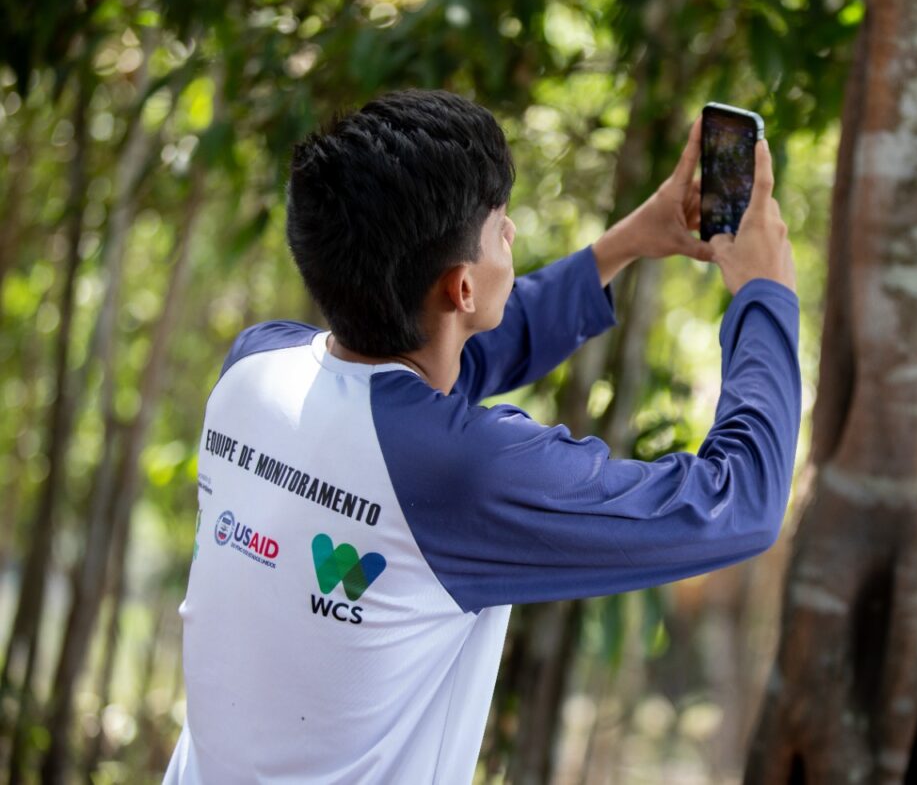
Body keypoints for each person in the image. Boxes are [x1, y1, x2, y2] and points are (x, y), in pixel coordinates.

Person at [163, 88, 800, 783]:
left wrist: (627, 243)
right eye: (501, 224)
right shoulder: (462, 478)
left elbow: (431, 366)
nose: (513, 234)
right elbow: (739, 503)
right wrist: (764, 295)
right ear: (463, 289)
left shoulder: (255, 365)